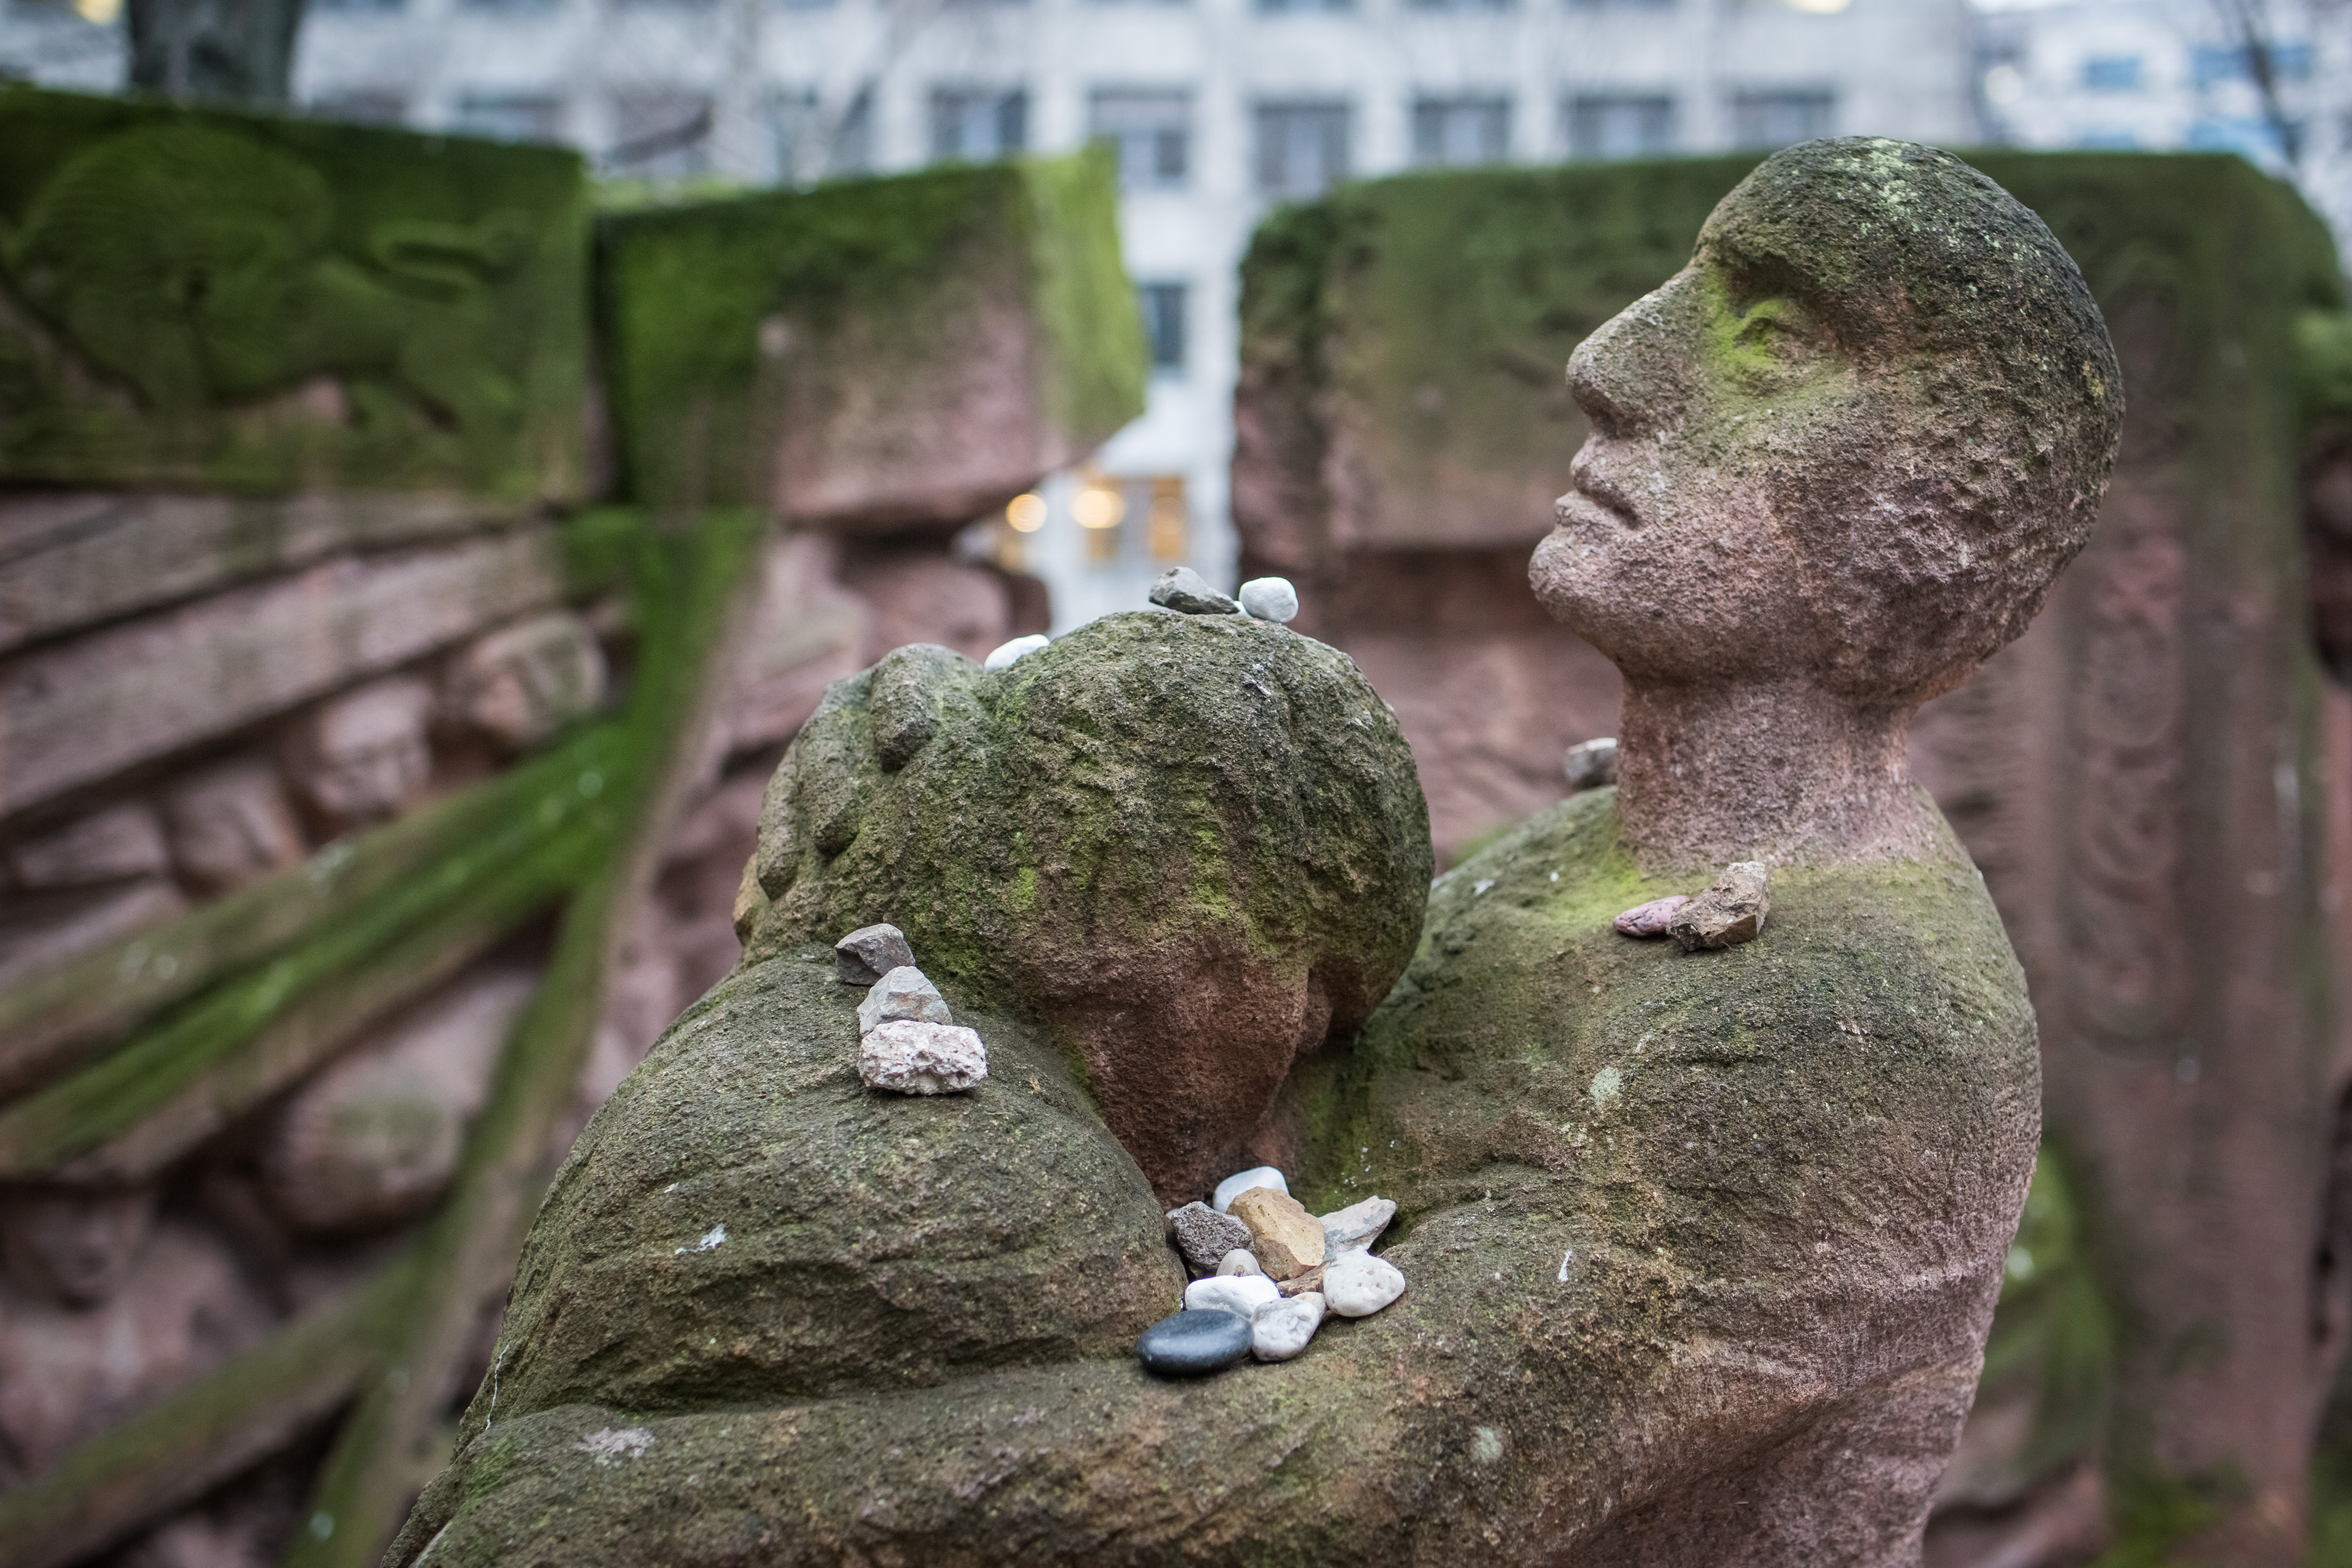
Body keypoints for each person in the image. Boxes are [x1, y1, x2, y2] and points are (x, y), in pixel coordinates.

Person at [389, 138, 2120, 1568]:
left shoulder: (1858, 1028)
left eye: (1771, 334)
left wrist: (607, 1500)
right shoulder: (1564, 862)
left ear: (1934, 504)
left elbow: (1336, 1480)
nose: (1615, 356)